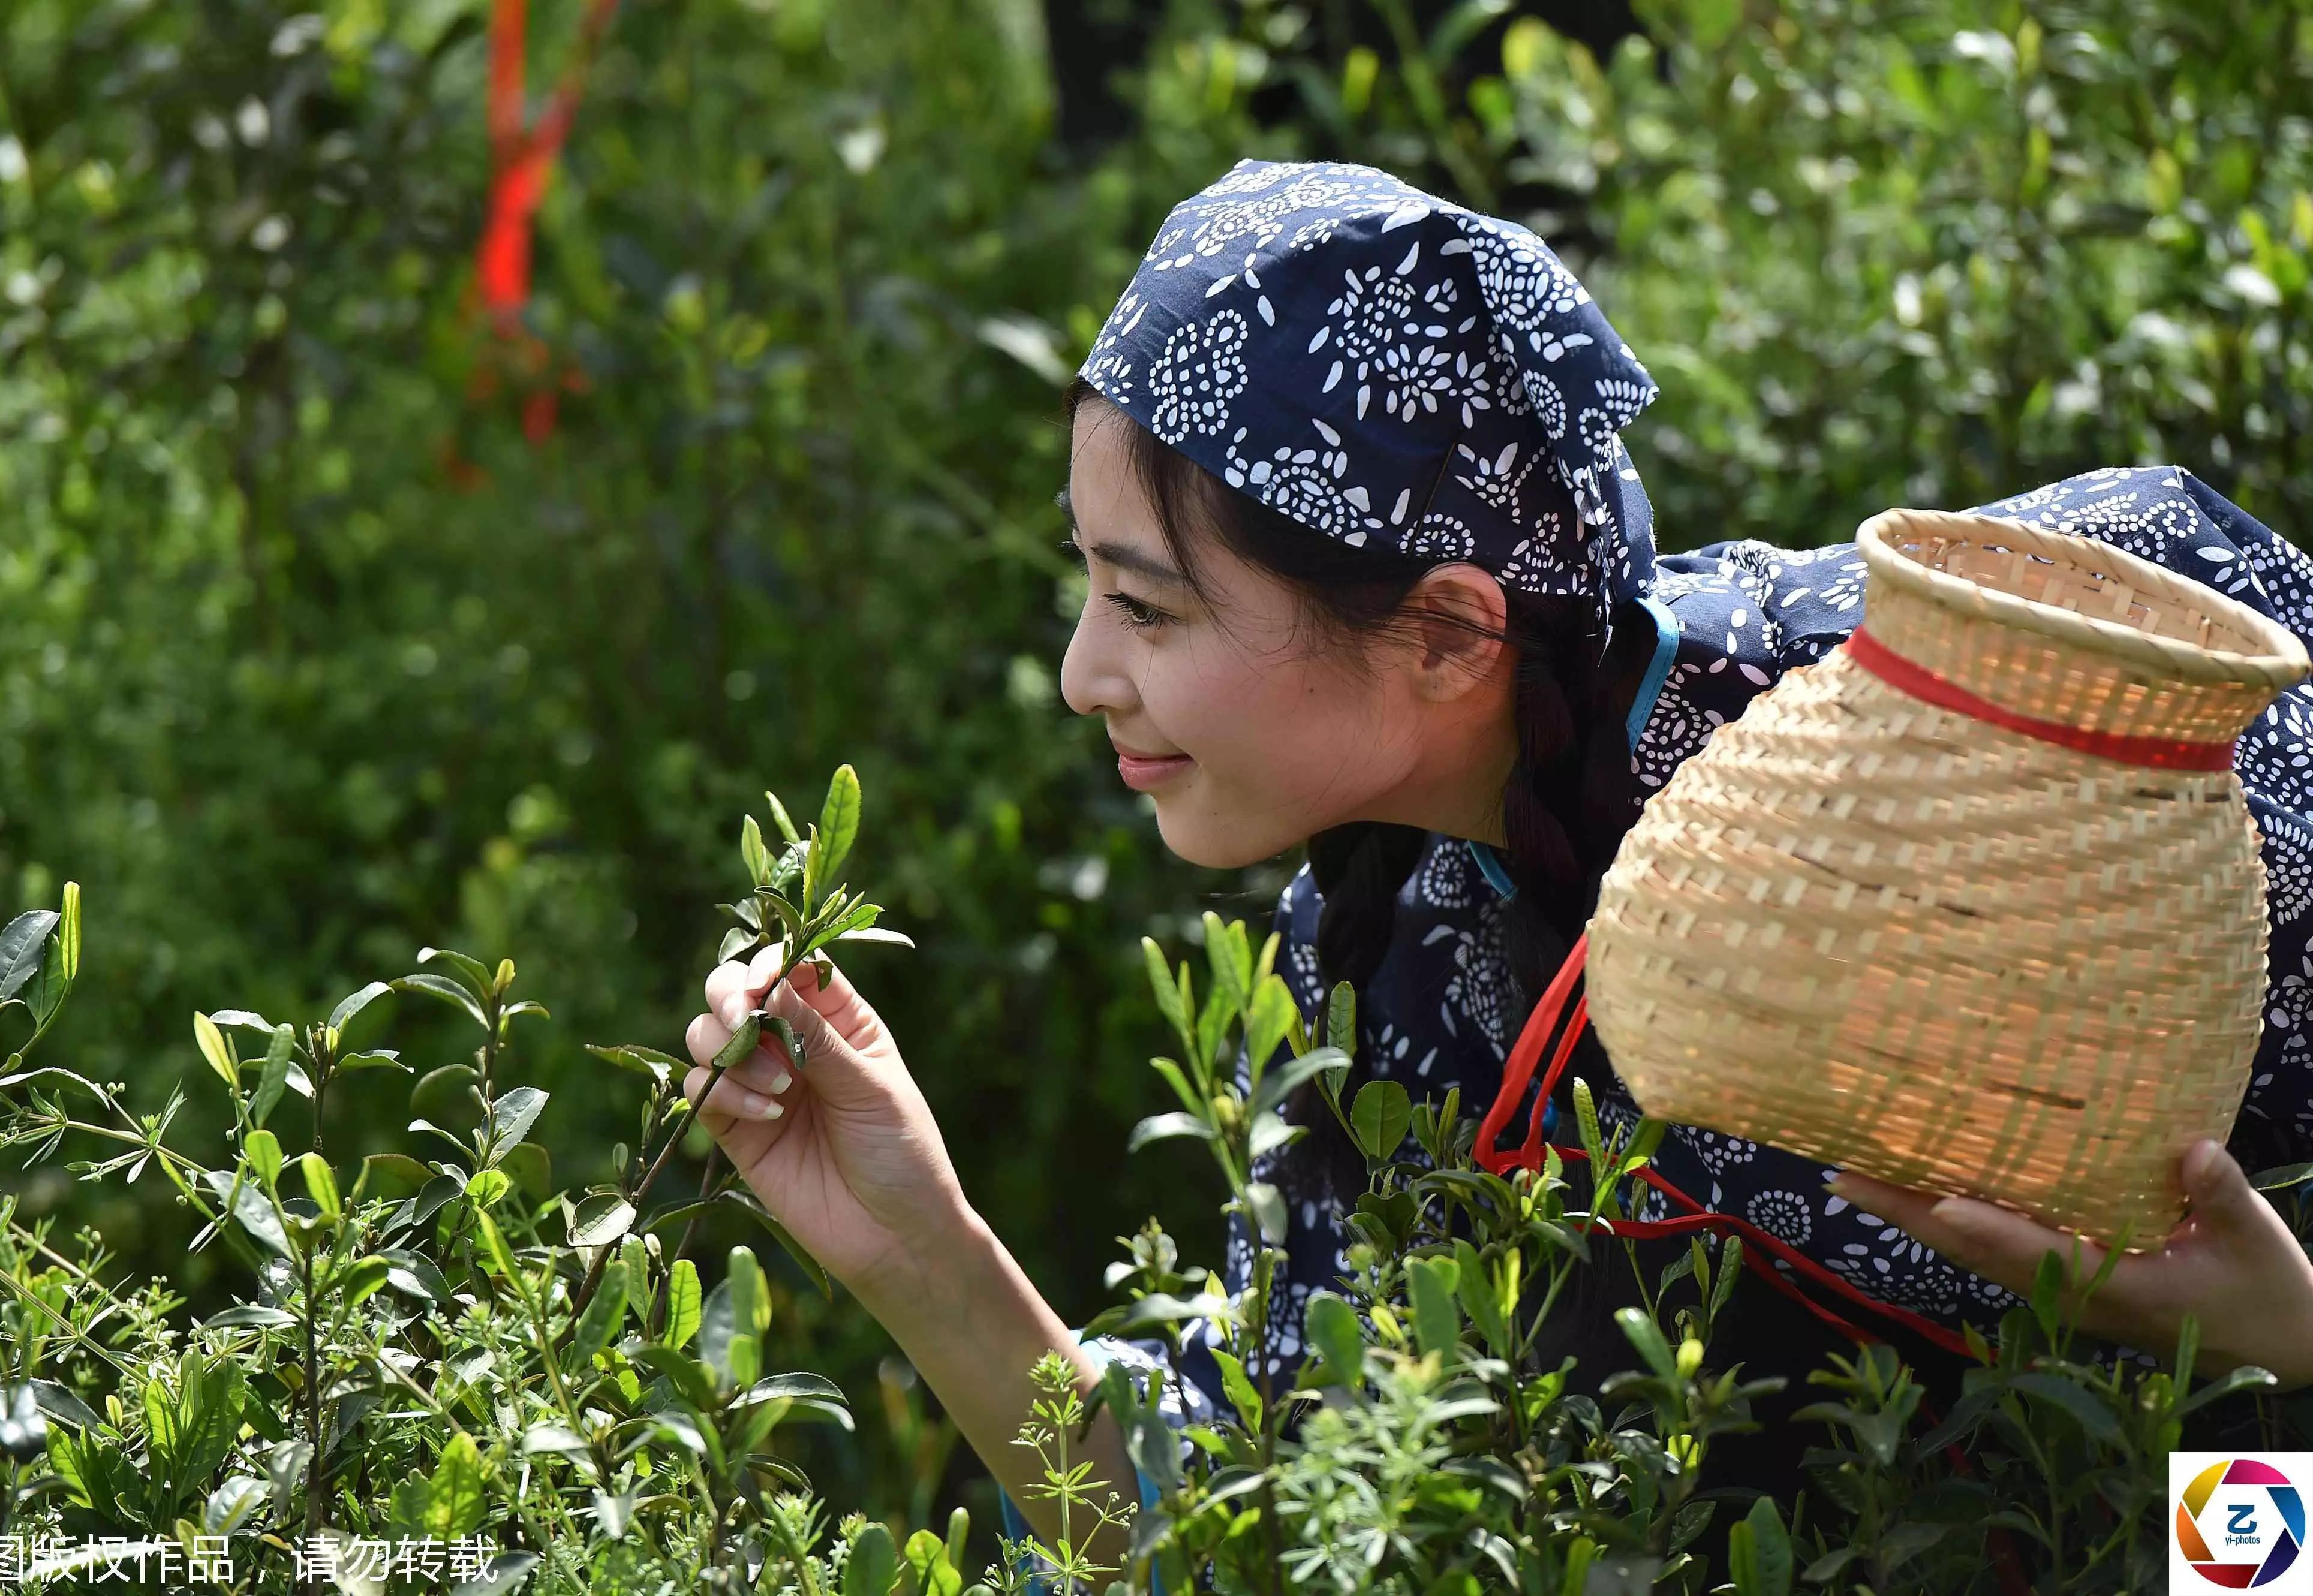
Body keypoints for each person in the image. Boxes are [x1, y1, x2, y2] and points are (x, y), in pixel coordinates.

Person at [678, 161, 2313, 1531]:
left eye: (1150, 606)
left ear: (1454, 634)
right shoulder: (1386, 937)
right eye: (1090, 586)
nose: (1080, 674)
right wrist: (915, 1240)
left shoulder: (1967, 779)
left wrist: (2283, 1337)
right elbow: (1238, 1526)